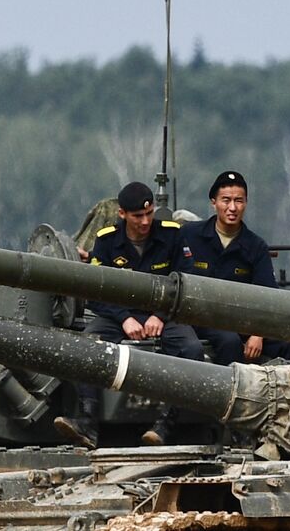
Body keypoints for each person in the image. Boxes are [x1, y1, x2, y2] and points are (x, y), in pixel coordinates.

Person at [54, 181, 204, 449]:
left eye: (149, 213)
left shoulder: (171, 236)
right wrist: (124, 317)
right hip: (119, 315)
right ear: (122, 213)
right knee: (85, 344)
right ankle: (88, 420)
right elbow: (95, 291)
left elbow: (186, 281)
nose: (145, 221)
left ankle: (166, 424)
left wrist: (160, 315)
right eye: (137, 216)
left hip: (164, 314)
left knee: (192, 349)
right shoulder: (107, 240)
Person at [184, 171, 290, 365]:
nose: (232, 208)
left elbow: (268, 296)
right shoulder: (190, 235)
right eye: (226, 200)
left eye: (239, 201)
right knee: (229, 342)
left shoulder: (255, 246)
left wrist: (258, 333)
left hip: (243, 320)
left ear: (246, 203)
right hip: (201, 317)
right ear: (214, 202)